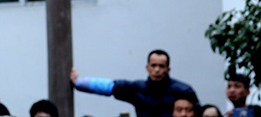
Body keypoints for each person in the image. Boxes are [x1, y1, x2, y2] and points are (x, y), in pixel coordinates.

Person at [70, 49, 198, 117]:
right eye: (153, 65)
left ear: (168, 69)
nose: (157, 70)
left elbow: (199, 112)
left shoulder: (183, 91)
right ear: (147, 67)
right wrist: (79, 82)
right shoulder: (137, 88)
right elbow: (109, 87)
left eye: (161, 66)